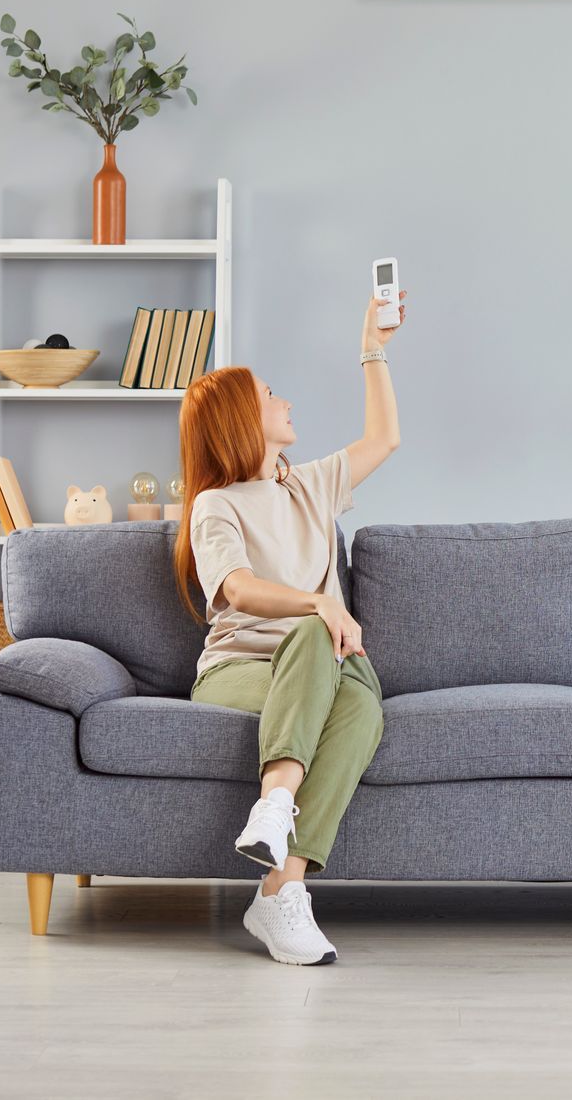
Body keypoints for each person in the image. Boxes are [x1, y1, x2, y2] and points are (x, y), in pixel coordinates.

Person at [170, 288, 406, 965]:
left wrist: (373, 348)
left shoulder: (309, 486)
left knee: (362, 708)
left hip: (322, 668)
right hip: (238, 675)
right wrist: (320, 604)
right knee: (320, 643)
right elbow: (237, 589)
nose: (287, 403)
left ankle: (282, 888)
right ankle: (277, 817)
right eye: (273, 395)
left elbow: (384, 438)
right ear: (245, 419)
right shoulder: (215, 504)